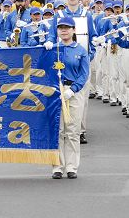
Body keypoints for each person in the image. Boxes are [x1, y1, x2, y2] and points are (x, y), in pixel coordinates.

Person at [51, 16, 89, 180]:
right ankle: (57, 167)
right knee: (57, 131)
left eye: (67, 27)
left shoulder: (80, 50)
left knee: (72, 131)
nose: (64, 30)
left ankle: (72, 166)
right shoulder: (53, 49)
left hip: (73, 92)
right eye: (61, 28)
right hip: (55, 92)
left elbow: (84, 74)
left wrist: (73, 90)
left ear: (73, 30)